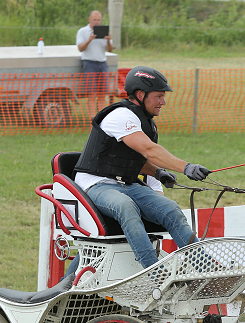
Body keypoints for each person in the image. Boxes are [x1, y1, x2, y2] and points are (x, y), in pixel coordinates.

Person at [66, 66, 211, 277]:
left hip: (125, 184)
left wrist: (157, 173)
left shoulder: (145, 121)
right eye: (159, 96)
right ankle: (155, 273)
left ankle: (206, 268)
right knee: (126, 207)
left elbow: (129, 159)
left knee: (170, 209)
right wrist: (186, 167)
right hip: (95, 184)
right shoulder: (121, 116)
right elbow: (148, 150)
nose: (163, 102)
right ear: (141, 95)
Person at [76, 10, 114, 116]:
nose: (97, 22)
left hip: (102, 64)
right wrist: (89, 40)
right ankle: (93, 118)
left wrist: (108, 40)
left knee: (102, 94)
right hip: (89, 64)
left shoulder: (104, 31)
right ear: (89, 19)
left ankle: (102, 118)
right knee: (91, 94)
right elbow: (80, 48)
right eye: (94, 20)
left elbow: (110, 50)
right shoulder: (82, 31)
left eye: (99, 20)